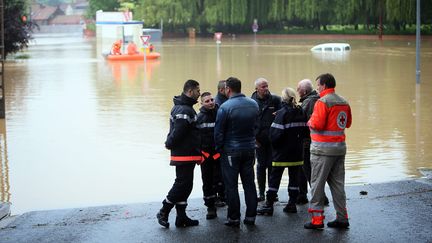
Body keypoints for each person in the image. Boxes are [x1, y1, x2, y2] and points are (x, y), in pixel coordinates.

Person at [304, 73, 352, 230]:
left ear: (323, 85)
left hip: (322, 151)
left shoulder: (322, 102)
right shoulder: (344, 101)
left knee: (317, 185)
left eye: (318, 85)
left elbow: (316, 124)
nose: (317, 88)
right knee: (338, 185)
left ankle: (317, 221)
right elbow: (348, 123)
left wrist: (309, 121)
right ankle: (342, 218)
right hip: (339, 149)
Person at [215, 77, 259, 227]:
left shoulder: (225, 107)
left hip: (231, 151)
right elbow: (256, 126)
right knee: (249, 184)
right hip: (249, 149)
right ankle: (251, 217)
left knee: (231, 185)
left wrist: (219, 149)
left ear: (228, 89)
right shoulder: (253, 104)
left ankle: (234, 218)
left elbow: (218, 132)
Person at [157, 79, 201, 228]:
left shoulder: (184, 107)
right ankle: (164, 210)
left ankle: (181, 217)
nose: (199, 94)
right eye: (197, 91)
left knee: (186, 184)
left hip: (187, 153)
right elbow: (178, 132)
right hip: (184, 153)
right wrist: (169, 143)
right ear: (190, 91)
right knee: (182, 184)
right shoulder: (184, 109)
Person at [257, 87, 308, 215]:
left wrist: (273, 146)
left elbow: (274, 135)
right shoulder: (300, 111)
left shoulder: (282, 113)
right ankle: (292, 204)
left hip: (281, 153)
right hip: (297, 153)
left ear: (283, 99)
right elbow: (306, 132)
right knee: (294, 179)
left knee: (275, 178)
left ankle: (269, 205)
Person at [296, 79, 329, 205]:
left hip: (307, 140)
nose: (297, 91)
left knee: (308, 169)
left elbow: (302, 121)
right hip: (318, 140)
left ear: (304, 91)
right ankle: (302, 195)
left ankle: (321, 197)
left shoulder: (308, 102)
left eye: (298, 89)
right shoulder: (319, 99)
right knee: (306, 168)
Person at [251, 78, 281, 201]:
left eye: (267, 86)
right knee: (261, 166)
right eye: (263, 87)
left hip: (273, 139)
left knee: (272, 166)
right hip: (259, 141)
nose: (266, 88)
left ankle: (272, 192)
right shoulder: (251, 102)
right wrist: (253, 139)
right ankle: (261, 193)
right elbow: (249, 122)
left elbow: (282, 117)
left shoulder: (276, 99)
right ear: (257, 89)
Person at [196, 92, 223, 219]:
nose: (211, 102)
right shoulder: (199, 117)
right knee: (207, 182)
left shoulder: (221, 114)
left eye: (212, 99)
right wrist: (200, 153)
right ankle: (210, 208)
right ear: (201, 103)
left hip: (219, 154)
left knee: (221, 180)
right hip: (206, 156)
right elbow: (195, 138)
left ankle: (221, 198)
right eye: (207, 101)